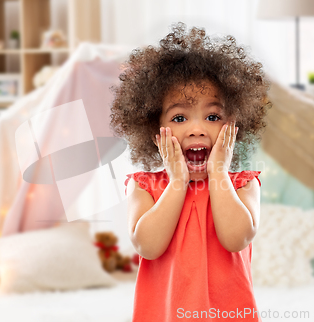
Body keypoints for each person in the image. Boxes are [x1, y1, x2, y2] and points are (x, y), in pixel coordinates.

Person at [109, 22, 271, 322]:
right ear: (153, 128)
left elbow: (237, 238)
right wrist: (178, 181)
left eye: (212, 116)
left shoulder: (242, 185)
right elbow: (148, 246)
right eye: (180, 117)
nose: (197, 129)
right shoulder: (144, 187)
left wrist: (219, 174)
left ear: (233, 126)